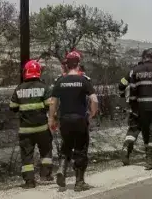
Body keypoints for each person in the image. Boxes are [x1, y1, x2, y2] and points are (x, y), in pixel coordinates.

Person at [48, 50, 98, 191]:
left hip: (65, 120)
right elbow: (94, 99)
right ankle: (79, 182)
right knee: (81, 149)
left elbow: (53, 102)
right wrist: (92, 114)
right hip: (80, 119)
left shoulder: (60, 80)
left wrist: (52, 118)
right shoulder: (84, 80)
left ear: (67, 64)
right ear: (78, 64)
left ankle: (62, 169)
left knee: (67, 145)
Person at [118, 48, 152, 170]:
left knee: (137, 129)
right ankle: (150, 158)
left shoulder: (134, 70)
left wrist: (129, 101)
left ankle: (128, 149)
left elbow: (125, 85)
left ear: (143, 57)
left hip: (139, 105)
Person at [9, 59, 54, 188]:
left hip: (25, 130)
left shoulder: (19, 89)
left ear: (26, 72)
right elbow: (50, 105)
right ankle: (45, 175)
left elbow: (12, 107)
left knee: (27, 156)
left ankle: (29, 181)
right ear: (38, 72)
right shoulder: (44, 87)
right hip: (42, 128)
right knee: (46, 151)